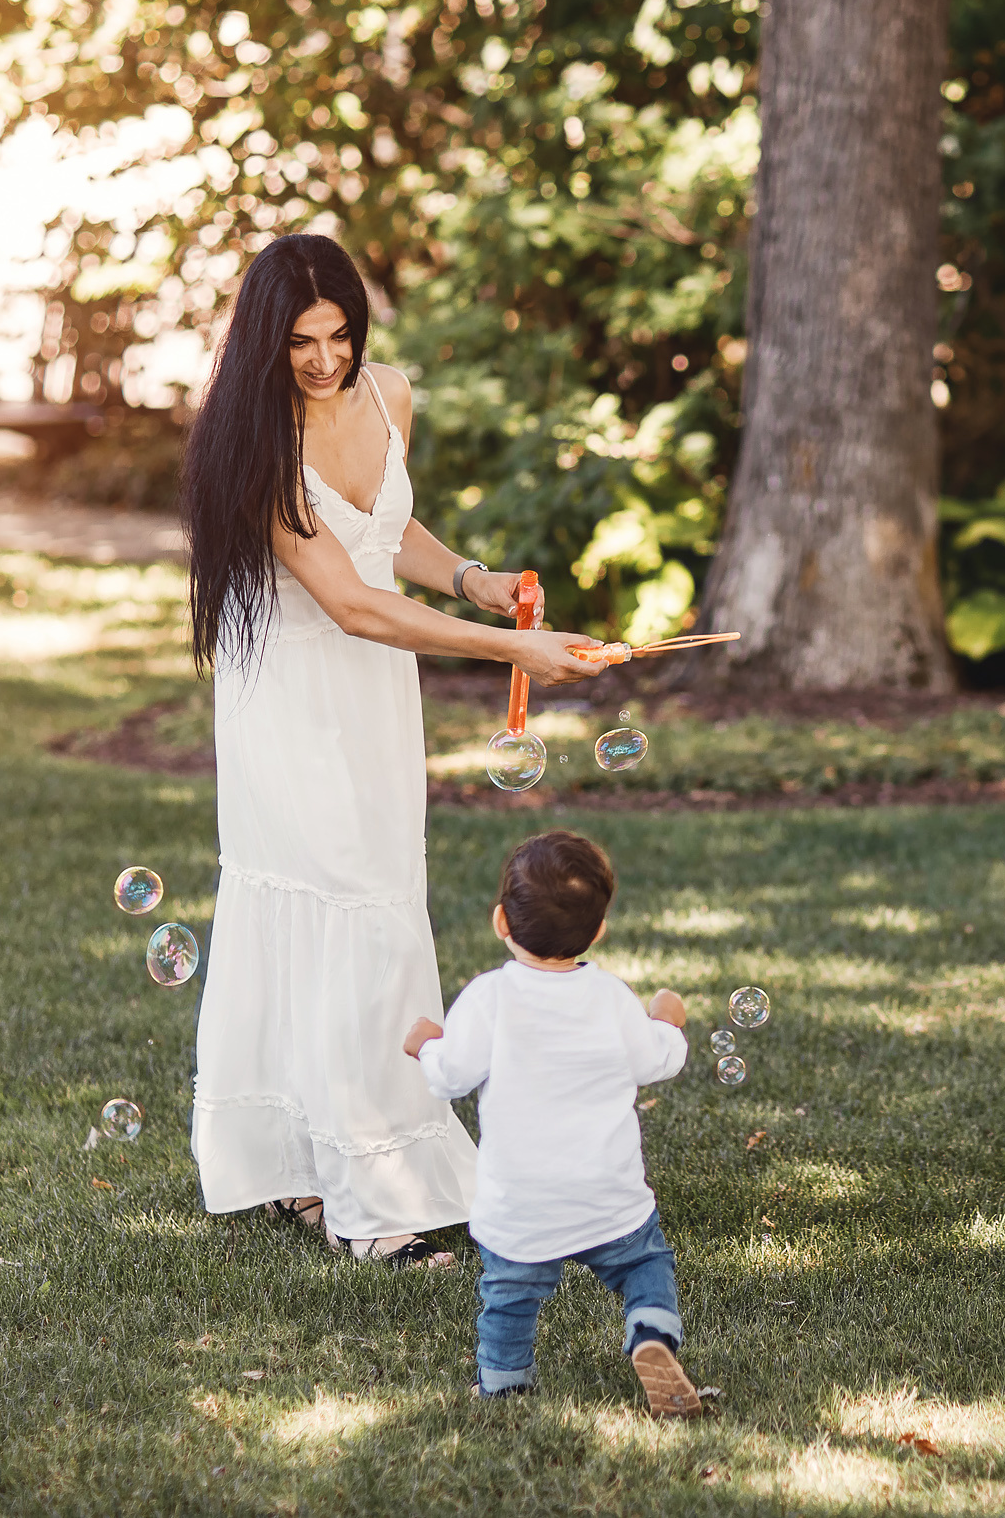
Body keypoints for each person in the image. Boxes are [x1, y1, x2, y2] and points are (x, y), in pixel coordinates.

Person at [180, 232, 612, 1265]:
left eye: (340, 335)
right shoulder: (253, 441)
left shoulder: (390, 395)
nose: (326, 360)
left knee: (371, 901)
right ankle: (366, 1198)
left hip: (373, 696)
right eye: (299, 343)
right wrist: (510, 646)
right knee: (337, 910)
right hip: (292, 689)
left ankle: (303, 1168)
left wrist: (473, 580)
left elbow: (386, 534)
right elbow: (350, 602)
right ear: (261, 345)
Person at [402, 830, 704, 1416]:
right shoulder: (613, 998)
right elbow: (656, 1060)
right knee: (645, 1263)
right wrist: (667, 1022)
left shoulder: (488, 998)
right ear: (597, 932)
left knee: (510, 1295)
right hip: (607, 1193)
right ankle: (649, 1334)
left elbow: (450, 1078)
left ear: (500, 922)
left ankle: (504, 1382)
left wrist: (426, 1047)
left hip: (522, 1201)